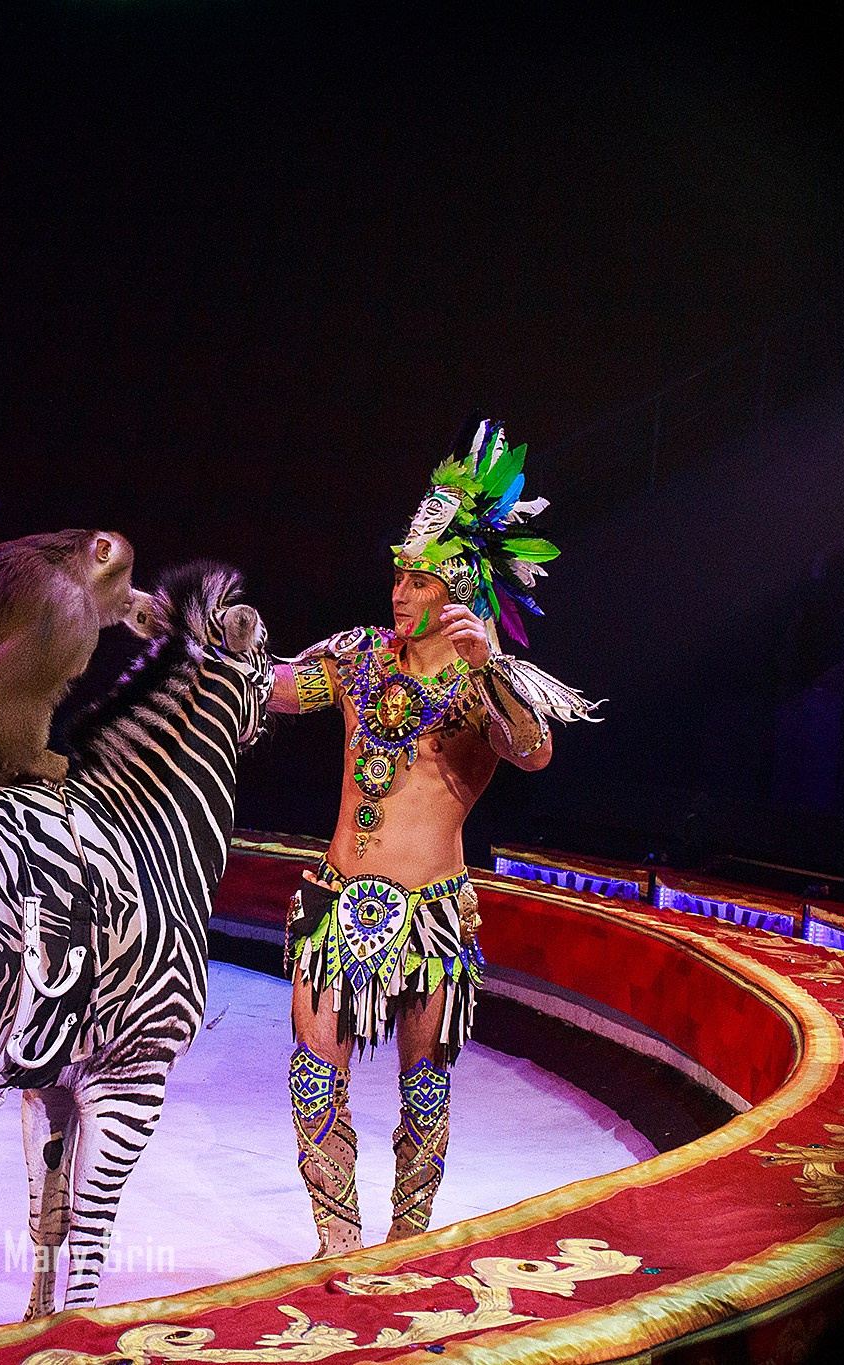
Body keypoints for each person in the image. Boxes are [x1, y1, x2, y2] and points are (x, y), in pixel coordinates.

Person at [267, 416, 601, 1256]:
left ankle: (408, 1239)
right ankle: (337, 1243)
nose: (400, 593)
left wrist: (488, 665)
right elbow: (273, 690)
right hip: (339, 902)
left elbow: (536, 752)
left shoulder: (490, 688)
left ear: (455, 589)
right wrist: (199, 643)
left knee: (425, 1090)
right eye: (398, 577)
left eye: (418, 581)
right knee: (313, 1069)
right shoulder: (356, 656)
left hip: (434, 917)